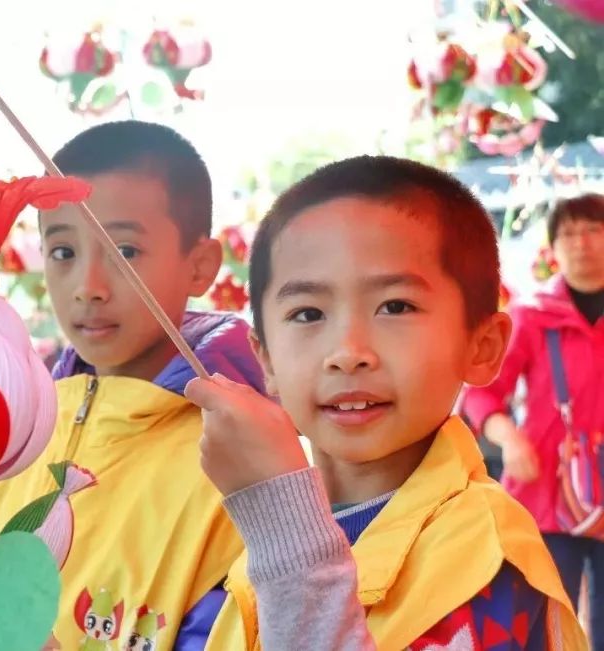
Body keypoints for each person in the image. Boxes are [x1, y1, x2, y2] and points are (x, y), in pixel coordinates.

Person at [187, 156, 585, 648]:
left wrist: (287, 534)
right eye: (308, 313)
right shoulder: (267, 523)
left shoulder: (486, 558)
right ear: (265, 359)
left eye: (396, 306)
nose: (348, 353)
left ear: (481, 347)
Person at [0, 121, 266, 650]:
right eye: (63, 253)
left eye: (124, 251)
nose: (89, 288)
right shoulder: (20, 439)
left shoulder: (239, 457)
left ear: (200, 267)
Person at [463, 193, 604, 647]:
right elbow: (483, 390)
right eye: (567, 233)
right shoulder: (530, 315)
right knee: (542, 618)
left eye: (593, 230)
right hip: (543, 488)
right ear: (553, 247)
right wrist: (510, 439)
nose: (580, 243)